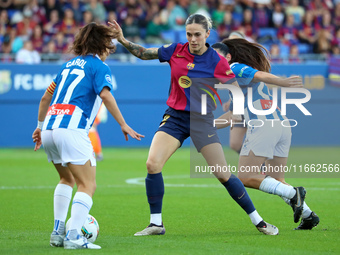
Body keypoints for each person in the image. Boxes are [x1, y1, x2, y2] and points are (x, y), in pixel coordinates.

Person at [109, 14, 281, 236]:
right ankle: (156, 224)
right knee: (152, 164)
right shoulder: (176, 50)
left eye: (197, 34)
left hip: (202, 121)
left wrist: (235, 114)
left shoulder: (217, 62)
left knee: (223, 174)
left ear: (207, 34)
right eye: (189, 34)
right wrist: (123, 40)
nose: (193, 39)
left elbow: (236, 92)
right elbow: (143, 53)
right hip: (175, 118)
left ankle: (259, 221)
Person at [32, 22, 144, 249]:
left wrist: (39, 127)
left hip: (50, 128)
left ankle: (57, 231)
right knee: (87, 185)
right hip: (72, 128)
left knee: (66, 179)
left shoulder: (66, 66)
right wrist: (123, 124)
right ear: (103, 44)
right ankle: (73, 237)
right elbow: (106, 95)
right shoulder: (99, 66)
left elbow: (45, 98)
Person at [212, 40, 319, 230]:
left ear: (228, 57)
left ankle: (295, 193)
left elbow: (259, 74)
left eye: (217, 56)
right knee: (277, 180)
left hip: (263, 126)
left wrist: (282, 82)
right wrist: (205, 126)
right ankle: (309, 216)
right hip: (281, 125)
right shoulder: (233, 83)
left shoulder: (234, 68)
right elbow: (233, 115)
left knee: (245, 177)